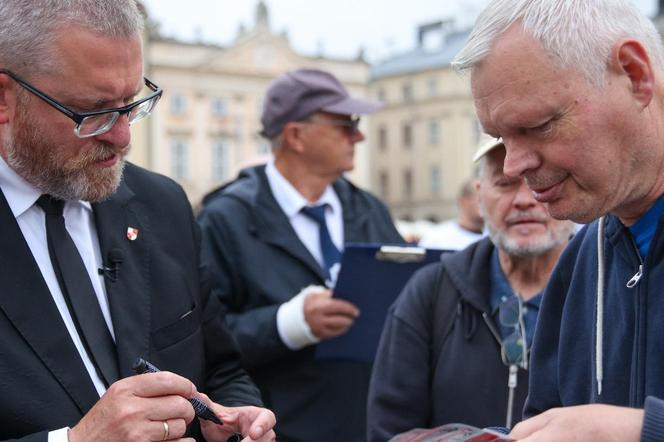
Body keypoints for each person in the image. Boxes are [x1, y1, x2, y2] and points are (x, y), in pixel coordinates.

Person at [0, 1, 276, 441]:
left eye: (131, 102)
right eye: (93, 112)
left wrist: (234, 417)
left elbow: (222, 368)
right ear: (5, 99)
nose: (123, 136)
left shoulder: (161, 205)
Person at [452, 0, 664, 440]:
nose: (512, 165)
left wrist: (641, 431)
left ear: (634, 74)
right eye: (499, 138)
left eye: (538, 125)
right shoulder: (580, 262)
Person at [198, 68, 404, 441]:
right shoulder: (226, 219)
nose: (359, 135)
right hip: (285, 429)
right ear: (296, 135)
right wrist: (288, 323)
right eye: (346, 124)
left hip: (372, 426)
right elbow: (205, 341)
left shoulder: (369, 209)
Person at [366, 139, 574, 441]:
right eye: (505, 183)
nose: (523, 200)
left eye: (539, 181)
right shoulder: (431, 292)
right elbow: (389, 430)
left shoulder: (608, 289)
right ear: (479, 197)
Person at [418, 177, 484, 250]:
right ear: (463, 201)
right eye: (480, 199)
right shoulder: (436, 238)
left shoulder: (494, 240)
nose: (486, 204)